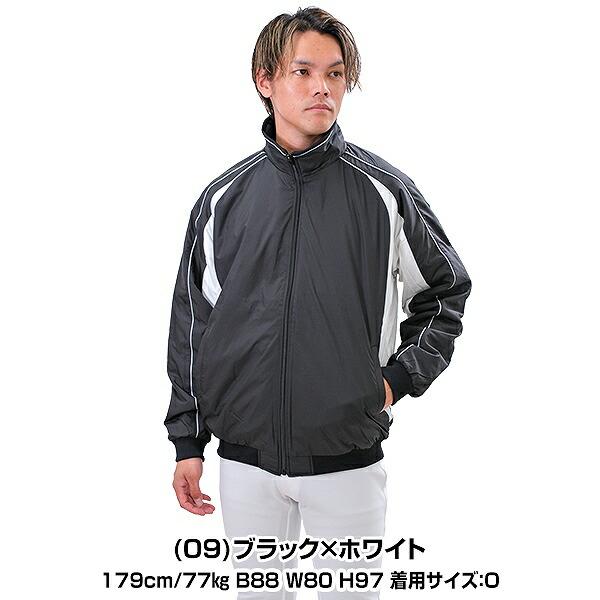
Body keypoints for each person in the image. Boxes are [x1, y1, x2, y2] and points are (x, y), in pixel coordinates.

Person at [164, 7, 472, 599]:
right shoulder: (223, 199)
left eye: (334, 73)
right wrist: (188, 440)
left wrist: (394, 381)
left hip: (346, 463)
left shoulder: (383, 190)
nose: (322, 88)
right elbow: (193, 323)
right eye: (303, 72)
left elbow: (445, 291)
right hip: (245, 465)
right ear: (265, 80)